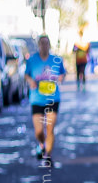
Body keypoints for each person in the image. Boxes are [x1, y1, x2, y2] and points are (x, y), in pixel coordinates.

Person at [25, 35, 67, 164]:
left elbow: (62, 73)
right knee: (39, 131)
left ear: (49, 45)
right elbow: (26, 74)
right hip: (37, 98)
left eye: (46, 43)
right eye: (42, 43)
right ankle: (42, 145)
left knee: (50, 128)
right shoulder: (32, 60)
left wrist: (60, 78)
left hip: (52, 98)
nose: (44, 46)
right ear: (39, 45)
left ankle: (48, 155)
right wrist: (31, 81)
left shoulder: (56, 60)